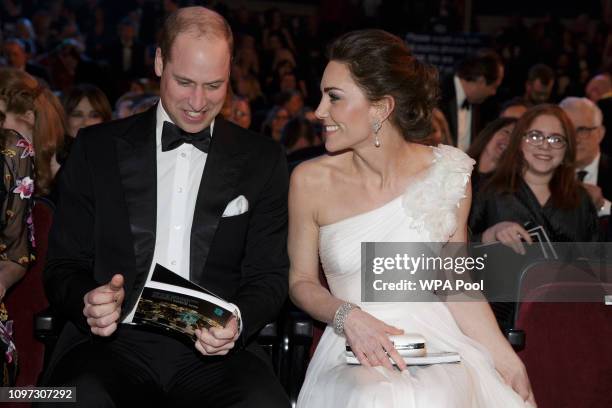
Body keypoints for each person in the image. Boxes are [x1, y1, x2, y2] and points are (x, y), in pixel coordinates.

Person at [39, 7, 290, 407]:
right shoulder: (95, 149)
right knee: (70, 400)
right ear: (159, 62)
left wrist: (236, 321)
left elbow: (270, 275)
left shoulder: (263, 160)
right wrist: (87, 299)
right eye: (184, 81)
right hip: (110, 346)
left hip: (218, 353)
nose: (197, 101)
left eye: (214, 85)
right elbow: (62, 265)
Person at [289, 29, 534, 407]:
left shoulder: (448, 172)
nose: (319, 111)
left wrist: (506, 359)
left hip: (440, 346)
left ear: (381, 108)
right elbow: (301, 282)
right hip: (351, 344)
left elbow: (456, 283)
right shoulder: (309, 180)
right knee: (376, 397)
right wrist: (347, 317)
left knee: (434, 396)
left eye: (333, 98)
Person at [469, 104, 599, 245]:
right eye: (535, 136)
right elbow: (453, 255)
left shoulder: (581, 200)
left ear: (567, 148)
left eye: (556, 139)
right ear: (519, 142)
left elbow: (598, 259)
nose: (545, 146)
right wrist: (489, 236)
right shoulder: (487, 191)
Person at [439, 49, 504, 151]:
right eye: (494, 87)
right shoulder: (437, 93)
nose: (493, 93)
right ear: (481, 81)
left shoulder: (482, 106)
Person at [560, 97, 611, 218]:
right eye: (568, 130)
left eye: (582, 130)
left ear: (600, 133)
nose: (575, 139)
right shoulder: (545, 174)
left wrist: (603, 206)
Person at [466, 117, 517, 193]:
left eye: (515, 138)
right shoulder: (459, 170)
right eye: (506, 132)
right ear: (490, 133)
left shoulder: (508, 189)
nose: (509, 140)